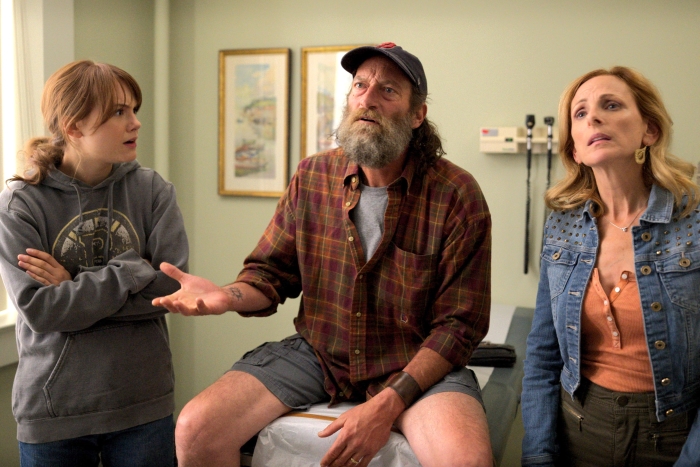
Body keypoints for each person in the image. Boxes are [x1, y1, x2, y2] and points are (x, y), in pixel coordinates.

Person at [154, 42, 493, 467]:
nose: (368, 99)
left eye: (388, 90)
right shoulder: (312, 175)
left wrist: (389, 402)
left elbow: (459, 326)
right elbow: (270, 274)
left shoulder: (456, 194)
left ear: (417, 114)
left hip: (412, 361)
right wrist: (227, 296)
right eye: (360, 86)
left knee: (467, 462)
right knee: (195, 428)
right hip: (321, 353)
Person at [0, 60, 189, 467]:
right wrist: (134, 270)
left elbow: (171, 289)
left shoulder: (153, 191)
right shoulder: (20, 205)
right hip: (54, 412)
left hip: (144, 405)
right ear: (73, 127)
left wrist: (71, 284)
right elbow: (41, 310)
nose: (135, 123)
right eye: (119, 112)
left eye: (134, 109)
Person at [521, 66, 700, 466]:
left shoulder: (693, 221)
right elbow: (543, 355)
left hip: (674, 439)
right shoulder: (563, 225)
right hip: (578, 431)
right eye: (580, 113)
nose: (594, 118)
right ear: (575, 149)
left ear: (649, 131)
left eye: (612, 105)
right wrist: (538, 454)